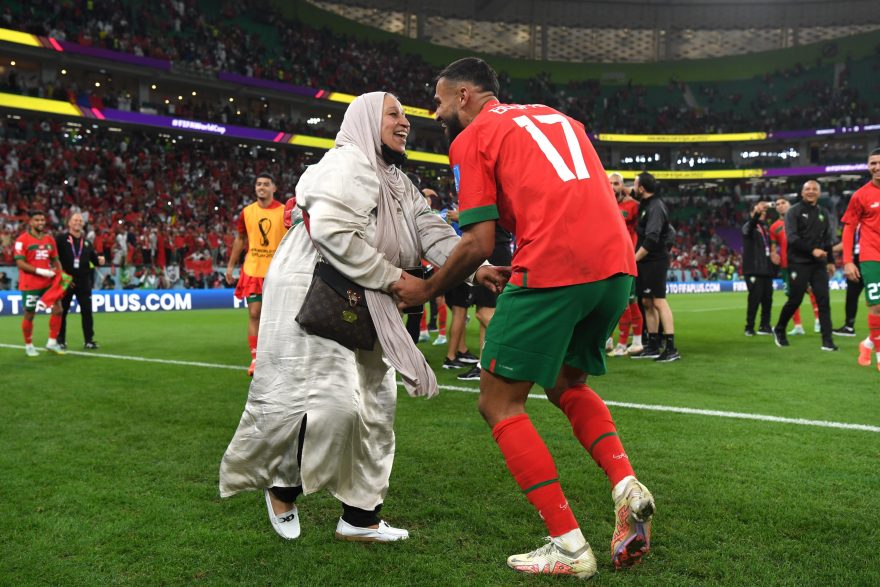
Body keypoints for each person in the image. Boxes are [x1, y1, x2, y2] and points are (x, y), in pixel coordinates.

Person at [393, 58, 654, 579]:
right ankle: (625, 482)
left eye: (441, 101)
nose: (437, 111)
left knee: (498, 402)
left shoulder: (469, 139)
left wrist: (426, 287)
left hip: (555, 265)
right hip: (616, 267)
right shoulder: (559, 118)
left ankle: (568, 545)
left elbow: (477, 242)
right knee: (565, 382)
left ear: (465, 95)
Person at [219, 92, 504, 543]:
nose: (405, 122)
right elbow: (332, 232)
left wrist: (475, 265)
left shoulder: (396, 180)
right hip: (313, 287)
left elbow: (429, 229)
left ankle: (360, 517)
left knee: (376, 406)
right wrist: (394, 279)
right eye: (394, 114)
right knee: (328, 402)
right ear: (367, 120)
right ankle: (283, 486)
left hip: (366, 292)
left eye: (406, 116)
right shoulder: (346, 163)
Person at [225, 173, 287, 376]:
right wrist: (230, 266)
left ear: (273, 188)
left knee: (279, 316)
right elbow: (240, 239)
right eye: (259, 184)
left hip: (277, 271)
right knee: (254, 314)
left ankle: (277, 355)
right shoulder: (247, 212)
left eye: (266, 184)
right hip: (253, 269)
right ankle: (255, 358)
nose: (262, 187)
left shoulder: (284, 211)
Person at [772, 180, 837, 351]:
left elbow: (827, 239)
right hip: (798, 263)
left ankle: (827, 341)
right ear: (802, 192)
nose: (811, 191)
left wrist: (830, 261)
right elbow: (792, 238)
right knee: (795, 299)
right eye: (807, 188)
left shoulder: (823, 212)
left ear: (819, 193)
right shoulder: (793, 212)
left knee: (824, 300)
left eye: (814, 189)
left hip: (818, 265)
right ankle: (779, 329)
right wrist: (812, 250)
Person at [630, 172, 680, 362]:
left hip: (655, 260)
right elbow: (628, 192)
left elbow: (652, 239)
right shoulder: (647, 203)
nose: (633, 188)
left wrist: (633, 259)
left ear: (642, 188)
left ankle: (670, 347)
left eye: (635, 185)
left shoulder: (655, 207)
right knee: (647, 302)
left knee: (659, 301)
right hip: (646, 261)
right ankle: (652, 345)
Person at [458, 225, 514, 381]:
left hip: (490, 253)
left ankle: (518, 350)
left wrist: (460, 216)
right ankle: (483, 365)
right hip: (494, 251)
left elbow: (478, 224)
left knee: (484, 313)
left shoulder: (489, 203)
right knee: (484, 312)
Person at [841, 148, 880, 369]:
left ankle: (867, 343)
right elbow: (849, 228)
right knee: (876, 308)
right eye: (873, 163)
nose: (877, 167)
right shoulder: (860, 195)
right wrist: (848, 261)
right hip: (871, 257)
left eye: (879, 162)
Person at [14, 210, 66, 357]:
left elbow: (55, 260)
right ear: (30, 222)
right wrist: (41, 271)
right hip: (29, 284)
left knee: (58, 309)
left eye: (42, 220)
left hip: (48, 283)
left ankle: (51, 342)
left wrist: (60, 275)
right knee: (30, 314)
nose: (40, 223)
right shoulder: (22, 240)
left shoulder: (49, 240)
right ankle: (29, 345)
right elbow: (20, 263)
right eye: (37, 220)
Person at [55, 212, 104, 350]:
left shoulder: (87, 243)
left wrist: (100, 260)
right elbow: (54, 257)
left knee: (87, 311)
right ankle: (61, 340)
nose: (78, 222)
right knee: (62, 312)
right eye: (75, 220)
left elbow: (94, 261)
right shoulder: (60, 239)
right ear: (69, 223)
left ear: (83, 224)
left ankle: (89, 340)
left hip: (83, 282)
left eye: (80, 221)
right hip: (66, 281)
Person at [607, 173, 644, 356]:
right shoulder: (605, 204)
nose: (613, 186)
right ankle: (610, 340)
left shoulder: (633, 206)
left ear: (622, 186)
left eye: (616, 183)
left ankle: (629, 342)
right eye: (610, 183)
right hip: (608, 259)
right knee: (610, 303)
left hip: (627, 260)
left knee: (629, 302)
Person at [741, 201, 775, 336]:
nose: (763, 214)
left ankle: (765, 325)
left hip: (766, 268)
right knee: (755, 298)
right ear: (752, 213)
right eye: (760, 212)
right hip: (753, 269)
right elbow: (751, 225)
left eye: (764, 212)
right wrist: (756, 213)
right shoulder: (748, 226)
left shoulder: (765, 228)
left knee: (768, 299)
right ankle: (749, 327)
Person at [831, 226, 863, 337]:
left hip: (872, 260)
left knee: (874, 298)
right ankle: (849, 327)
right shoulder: (855, 224)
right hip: (857, 262)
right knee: (851, 296)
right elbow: (846, 243)